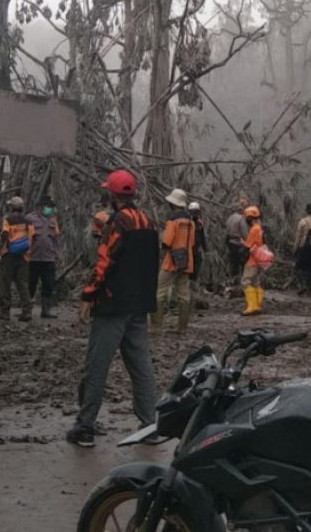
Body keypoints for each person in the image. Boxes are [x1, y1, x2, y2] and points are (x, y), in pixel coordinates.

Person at [68, 169, 159, 448]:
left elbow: (105, 262)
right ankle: (150, 425)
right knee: (141, 366)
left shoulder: (118, 222)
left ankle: (85, 427)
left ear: (112, 193)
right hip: (139, 305)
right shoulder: (149, 221)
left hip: (113, 305)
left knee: (97, 366)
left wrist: (88, 295)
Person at [153, 189, 196, 333]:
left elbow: (166, 242)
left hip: (171, 261)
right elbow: (193, 242)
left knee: (159, 292)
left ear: (172, 203)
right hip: (187, 262)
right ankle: (182, 328)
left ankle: (155, 327)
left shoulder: (172, 221)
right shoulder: (191, 222)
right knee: (184, 295)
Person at [0, 197, 34, 322]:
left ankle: (5, 312)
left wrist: (2, 247)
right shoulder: (28, 221)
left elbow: (4, 234)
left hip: (9, 255)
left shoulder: (7, 220)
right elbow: (32, 237)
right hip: (24, 256)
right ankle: (27, 311)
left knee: (5, 284)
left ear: (11, 207)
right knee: (23, 284)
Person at [26, 195, 61, 319]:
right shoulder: (30, 218)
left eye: (51, 207)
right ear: (40, 206)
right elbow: (24, 237)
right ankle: (27, 310)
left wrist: (58, 254)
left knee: (48, 284)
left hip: (49, 258)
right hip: (33, 258)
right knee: (31, 284)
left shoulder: (53, 220)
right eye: (48, 206)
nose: (50, 209)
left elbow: (56, 239)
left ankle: (46, 310)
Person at [240, 205, 266, 316]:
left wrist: (242, 243)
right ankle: (258, 306)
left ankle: (252, 307)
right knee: (256, 283)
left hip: (252, 260)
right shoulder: (260, 228)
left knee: (245, 281)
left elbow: (248, 246)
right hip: (259, 260)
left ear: (250, 218)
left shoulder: (254, 230)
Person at [224, 197, 249, 283]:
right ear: (240, 210)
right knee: (243, 263)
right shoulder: (241, 218)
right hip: (239, 244)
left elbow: (226, 232)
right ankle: (242, 281)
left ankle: (233, 280)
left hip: (230, 243)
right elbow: (245, 233)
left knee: (233, 264)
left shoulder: (229, 219)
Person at [189, 201, 208, 287]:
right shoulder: (187, 222)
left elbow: (202, 236)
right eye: (193, 211)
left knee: (197, 266)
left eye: (196, 211)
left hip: (197, 248)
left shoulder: (200, 223)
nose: (195, 213)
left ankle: (193, 283)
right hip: (188, 248)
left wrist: (205, 249)